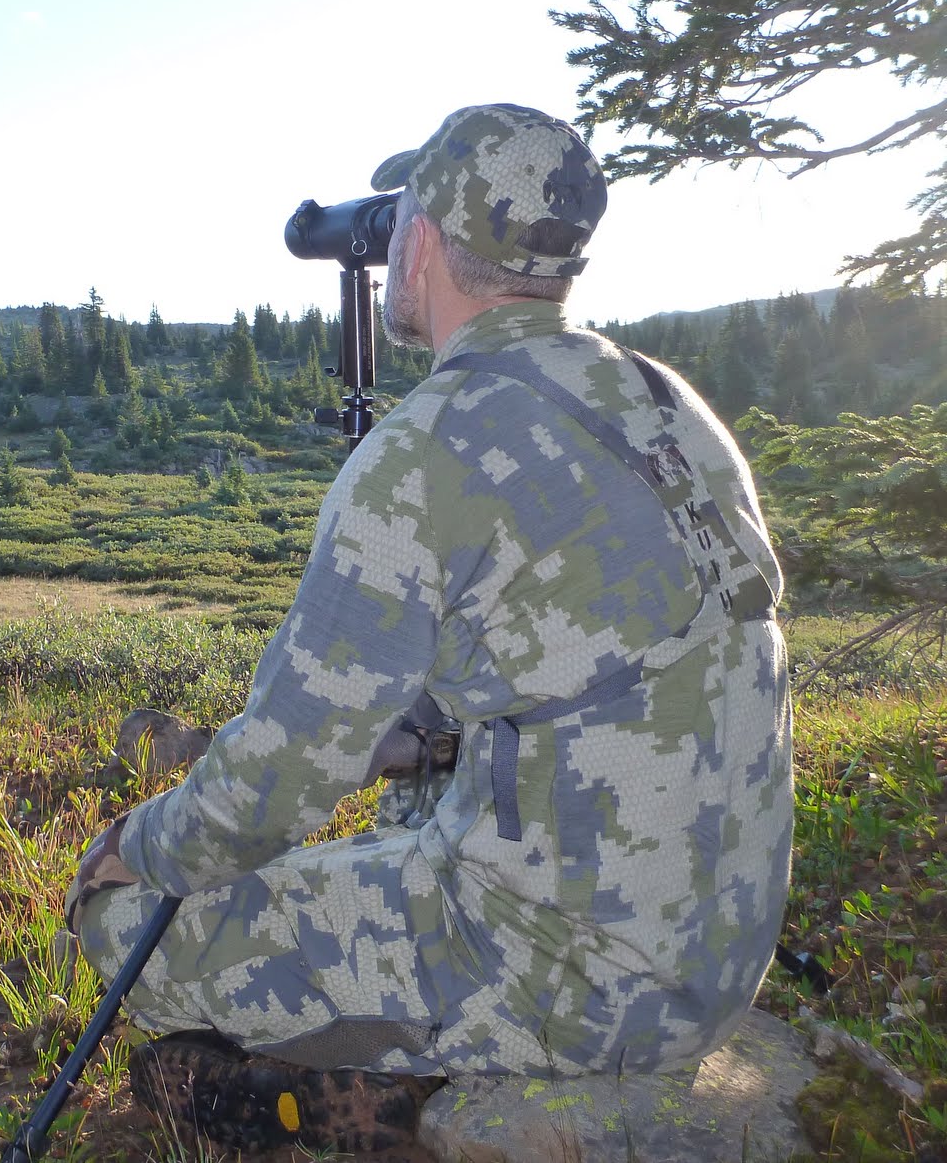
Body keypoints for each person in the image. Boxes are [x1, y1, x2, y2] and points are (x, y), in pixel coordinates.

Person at [64, 103, 794, 1155]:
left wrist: (133, 846)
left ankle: (364, 1099)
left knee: (123, 925)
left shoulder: (426, 446)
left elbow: (276, 779)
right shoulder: (663, 397)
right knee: (413, 798)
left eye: (400, 213)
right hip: (720, 946)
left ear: (418, 245)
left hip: (588, 980)